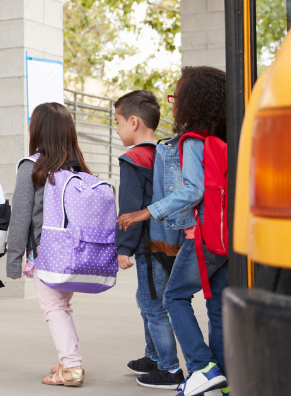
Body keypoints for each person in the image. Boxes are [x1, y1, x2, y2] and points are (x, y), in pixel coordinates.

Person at [119, 67, 229, 396]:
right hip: (229, 236)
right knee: (217, 305)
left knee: (174, 296)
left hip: (205, 236)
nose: (174, 104)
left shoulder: (192, 141)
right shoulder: (224, 138)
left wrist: (146, 211)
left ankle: (201, 367)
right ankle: (223, 377)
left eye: (177, 97)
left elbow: (193, 191)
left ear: (193, 103)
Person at [6, 102, 93, 387]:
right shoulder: (79, 168)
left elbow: (20, 217)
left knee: (53, 308)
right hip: (75, 251)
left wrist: (14, 260)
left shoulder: (31, 167)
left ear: (38, 130)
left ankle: (71, 367)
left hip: (46, 252)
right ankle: (69, 358)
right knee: (63, 306)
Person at [114, 91, 185, 389]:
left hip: (147, 246)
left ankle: (169, 369)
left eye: (117, 122)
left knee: (154, 305)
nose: (116, 130)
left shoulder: (133, 159)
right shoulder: (164, 155)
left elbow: (128, 208)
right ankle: (153, 356)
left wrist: (123, 248)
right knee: (148, 300)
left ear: (133, 122)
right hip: (170, 242)